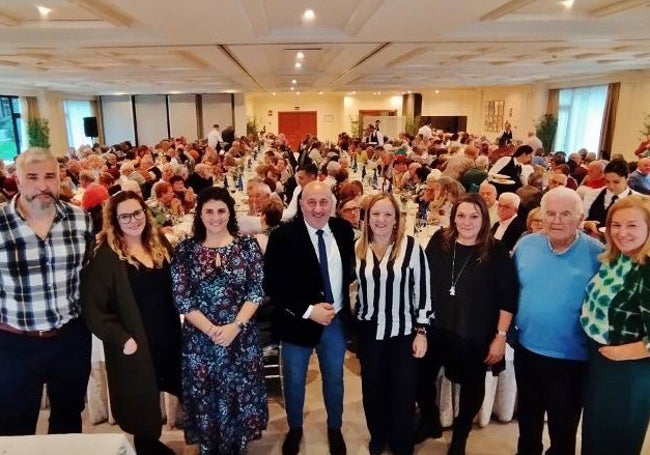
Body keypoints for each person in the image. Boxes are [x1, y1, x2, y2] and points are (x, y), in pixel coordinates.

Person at [0, 147, 94, 435]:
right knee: (14, 422)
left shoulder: (80, 220)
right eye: (32, 177)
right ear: (17, 180)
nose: (43, 185)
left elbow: (88, 274)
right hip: (14, 341)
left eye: (50, 176)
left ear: (59, 178)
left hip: (69, 337)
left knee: (68, 417)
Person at [416, 194, 518, 455]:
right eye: (461, 215)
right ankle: (430, 420)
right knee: (421, 377)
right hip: (437, 326)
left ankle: (461, 434)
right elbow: (424, 283)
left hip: (474, 330)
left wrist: (501, 335)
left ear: (484, 219)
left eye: (474, 216)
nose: (466, 221)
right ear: (453, 217)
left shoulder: (496, 251)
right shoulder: (440, 241)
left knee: (472, 386)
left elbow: (508, 298)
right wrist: (420, 326)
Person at [81, 190, 181, 454]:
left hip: (166, 334)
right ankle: (148, 447)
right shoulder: (106, 255)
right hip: (134, 341)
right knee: (140, 405)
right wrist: (122, 338)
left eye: (137, 213)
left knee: (172, 385)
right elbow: (93, 308)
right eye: (124, 216)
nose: (133, 220)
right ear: (114, 220)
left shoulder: (158, 240)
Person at [171, 187, 268, 455]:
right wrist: (214, 331)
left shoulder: (247, 247)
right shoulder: (185, 250)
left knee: (238, 395)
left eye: (221, 210)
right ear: (199, 214)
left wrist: (235, 327)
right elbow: (182, 298)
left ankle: (239, 447)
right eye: (209, 211)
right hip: (201, 342)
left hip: (240, 337)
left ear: (230, 212)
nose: (215, 217)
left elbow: (256, 291)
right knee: (207, 400)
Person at [264, 181, 355, 455]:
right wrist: (307, 310)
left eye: (324, 202)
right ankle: (295, 428)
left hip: (335, 322)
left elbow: (348, 272)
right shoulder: (282, 236)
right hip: (296, 323)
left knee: (334, 378)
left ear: (333, 204)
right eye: (311, 202)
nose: (318, 208)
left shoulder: (343, 230)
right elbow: (273, 285)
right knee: (293, 379)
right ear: (301, 204)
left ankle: (335, 427)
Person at [513, 187, 603, 455]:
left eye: (565, 214)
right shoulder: (526, 245)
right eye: (550, 213)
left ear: (580, 217)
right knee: (527, 421)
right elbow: (511, 290)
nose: (556, 220)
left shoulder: (597, 254)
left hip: (571, 358)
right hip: (527, 350)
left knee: (563, 428)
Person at [354, 193, 431, 455]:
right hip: (368, 330)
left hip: (404, 330)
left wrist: (421, 331)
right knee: (372, 388)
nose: (381, 219)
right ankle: (378, 435)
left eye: (388, 214)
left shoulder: (411, 247)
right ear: (367, 218)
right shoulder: (357, 247)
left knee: (402, 391)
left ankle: (401, 442)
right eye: (376, 213)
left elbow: (422, 290)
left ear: (397, 219)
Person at [580, 196, 650, 455]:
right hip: (601, 359)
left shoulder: (647, 268)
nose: (622, 233)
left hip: (628, 368)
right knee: (595, 434)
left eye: (632, 225)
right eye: (615, 225)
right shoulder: (617, 258)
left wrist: (620, 353)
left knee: (617, 438)